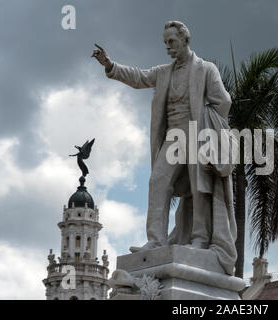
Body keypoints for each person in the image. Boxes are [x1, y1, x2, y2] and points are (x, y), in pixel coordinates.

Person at [92, 21, 237, 275]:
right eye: (165, 43)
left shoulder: (206, 70)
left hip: (197, 134)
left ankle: (200, 239)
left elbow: (224, 101)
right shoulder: (163, 72)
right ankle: (156, 239)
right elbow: (139, 77)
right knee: (157, 181)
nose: (168, 47)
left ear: (185, 40)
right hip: (173, 138)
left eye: (171, 42)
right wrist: (110, 66)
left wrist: (207, 124)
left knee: (199, 186)